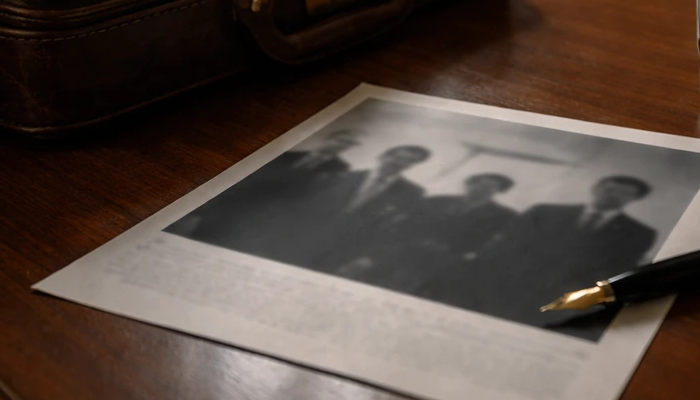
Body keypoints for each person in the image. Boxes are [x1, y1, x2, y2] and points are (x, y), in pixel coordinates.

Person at [486, 175, 657, 326]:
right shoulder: (544, 212)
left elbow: (617, 269)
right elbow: (509, 246)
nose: (613, 195)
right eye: (609, 189)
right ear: (596, 188)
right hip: (513, 286)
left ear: (634, 198)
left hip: (567, 299)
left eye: (624, 193)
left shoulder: (639, 233)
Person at [165, 129, 361, 253]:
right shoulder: (289, 155)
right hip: (239, 206)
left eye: (347, 145)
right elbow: (251, 179)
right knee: (200, 239)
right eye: (340, 140)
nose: (340, 146)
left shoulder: (340, 169)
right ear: (329, 139)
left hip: (273, 216)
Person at [320, 145, 431, 281]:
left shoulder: (411, 193)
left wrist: (371, 257)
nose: (398, 163)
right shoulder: (347, 176)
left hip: (351, 252)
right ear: (383, 156)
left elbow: (400, 231)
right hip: (313, 238)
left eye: (408, 161)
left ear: (412, 165)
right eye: (397, 157)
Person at [403, 173, 517, 306]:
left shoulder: (505, 216)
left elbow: (494, 243)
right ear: (468, 184)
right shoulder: (437, 201)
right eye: (478, 183)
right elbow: (412, 224)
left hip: (455, 263)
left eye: (490, 187)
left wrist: (463, 253)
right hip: (415, 256)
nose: (481, 189)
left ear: (499, 191)